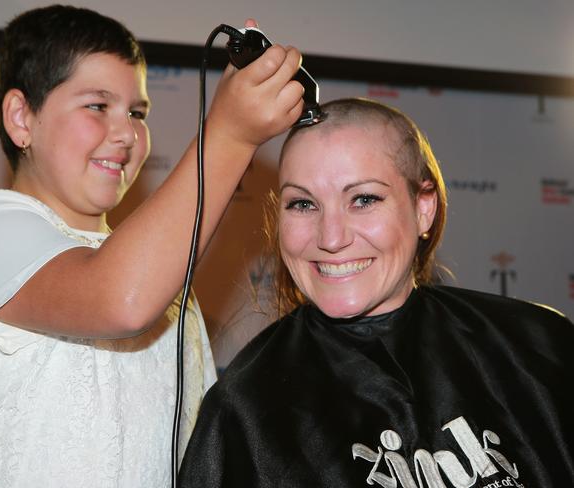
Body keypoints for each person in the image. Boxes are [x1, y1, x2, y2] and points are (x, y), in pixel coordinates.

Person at [0, 5, 305, 487]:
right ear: (22, 117)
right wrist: (229, 133)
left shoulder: (154, 267)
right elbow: (119, 300)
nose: (126, 133)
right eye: (97, 106)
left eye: (137, 112)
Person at [178, 98, 574, 487]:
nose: (331, 238)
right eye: (302, 204)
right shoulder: (244, 410)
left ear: (424, 208)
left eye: (363, 199)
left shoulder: (538, 348)